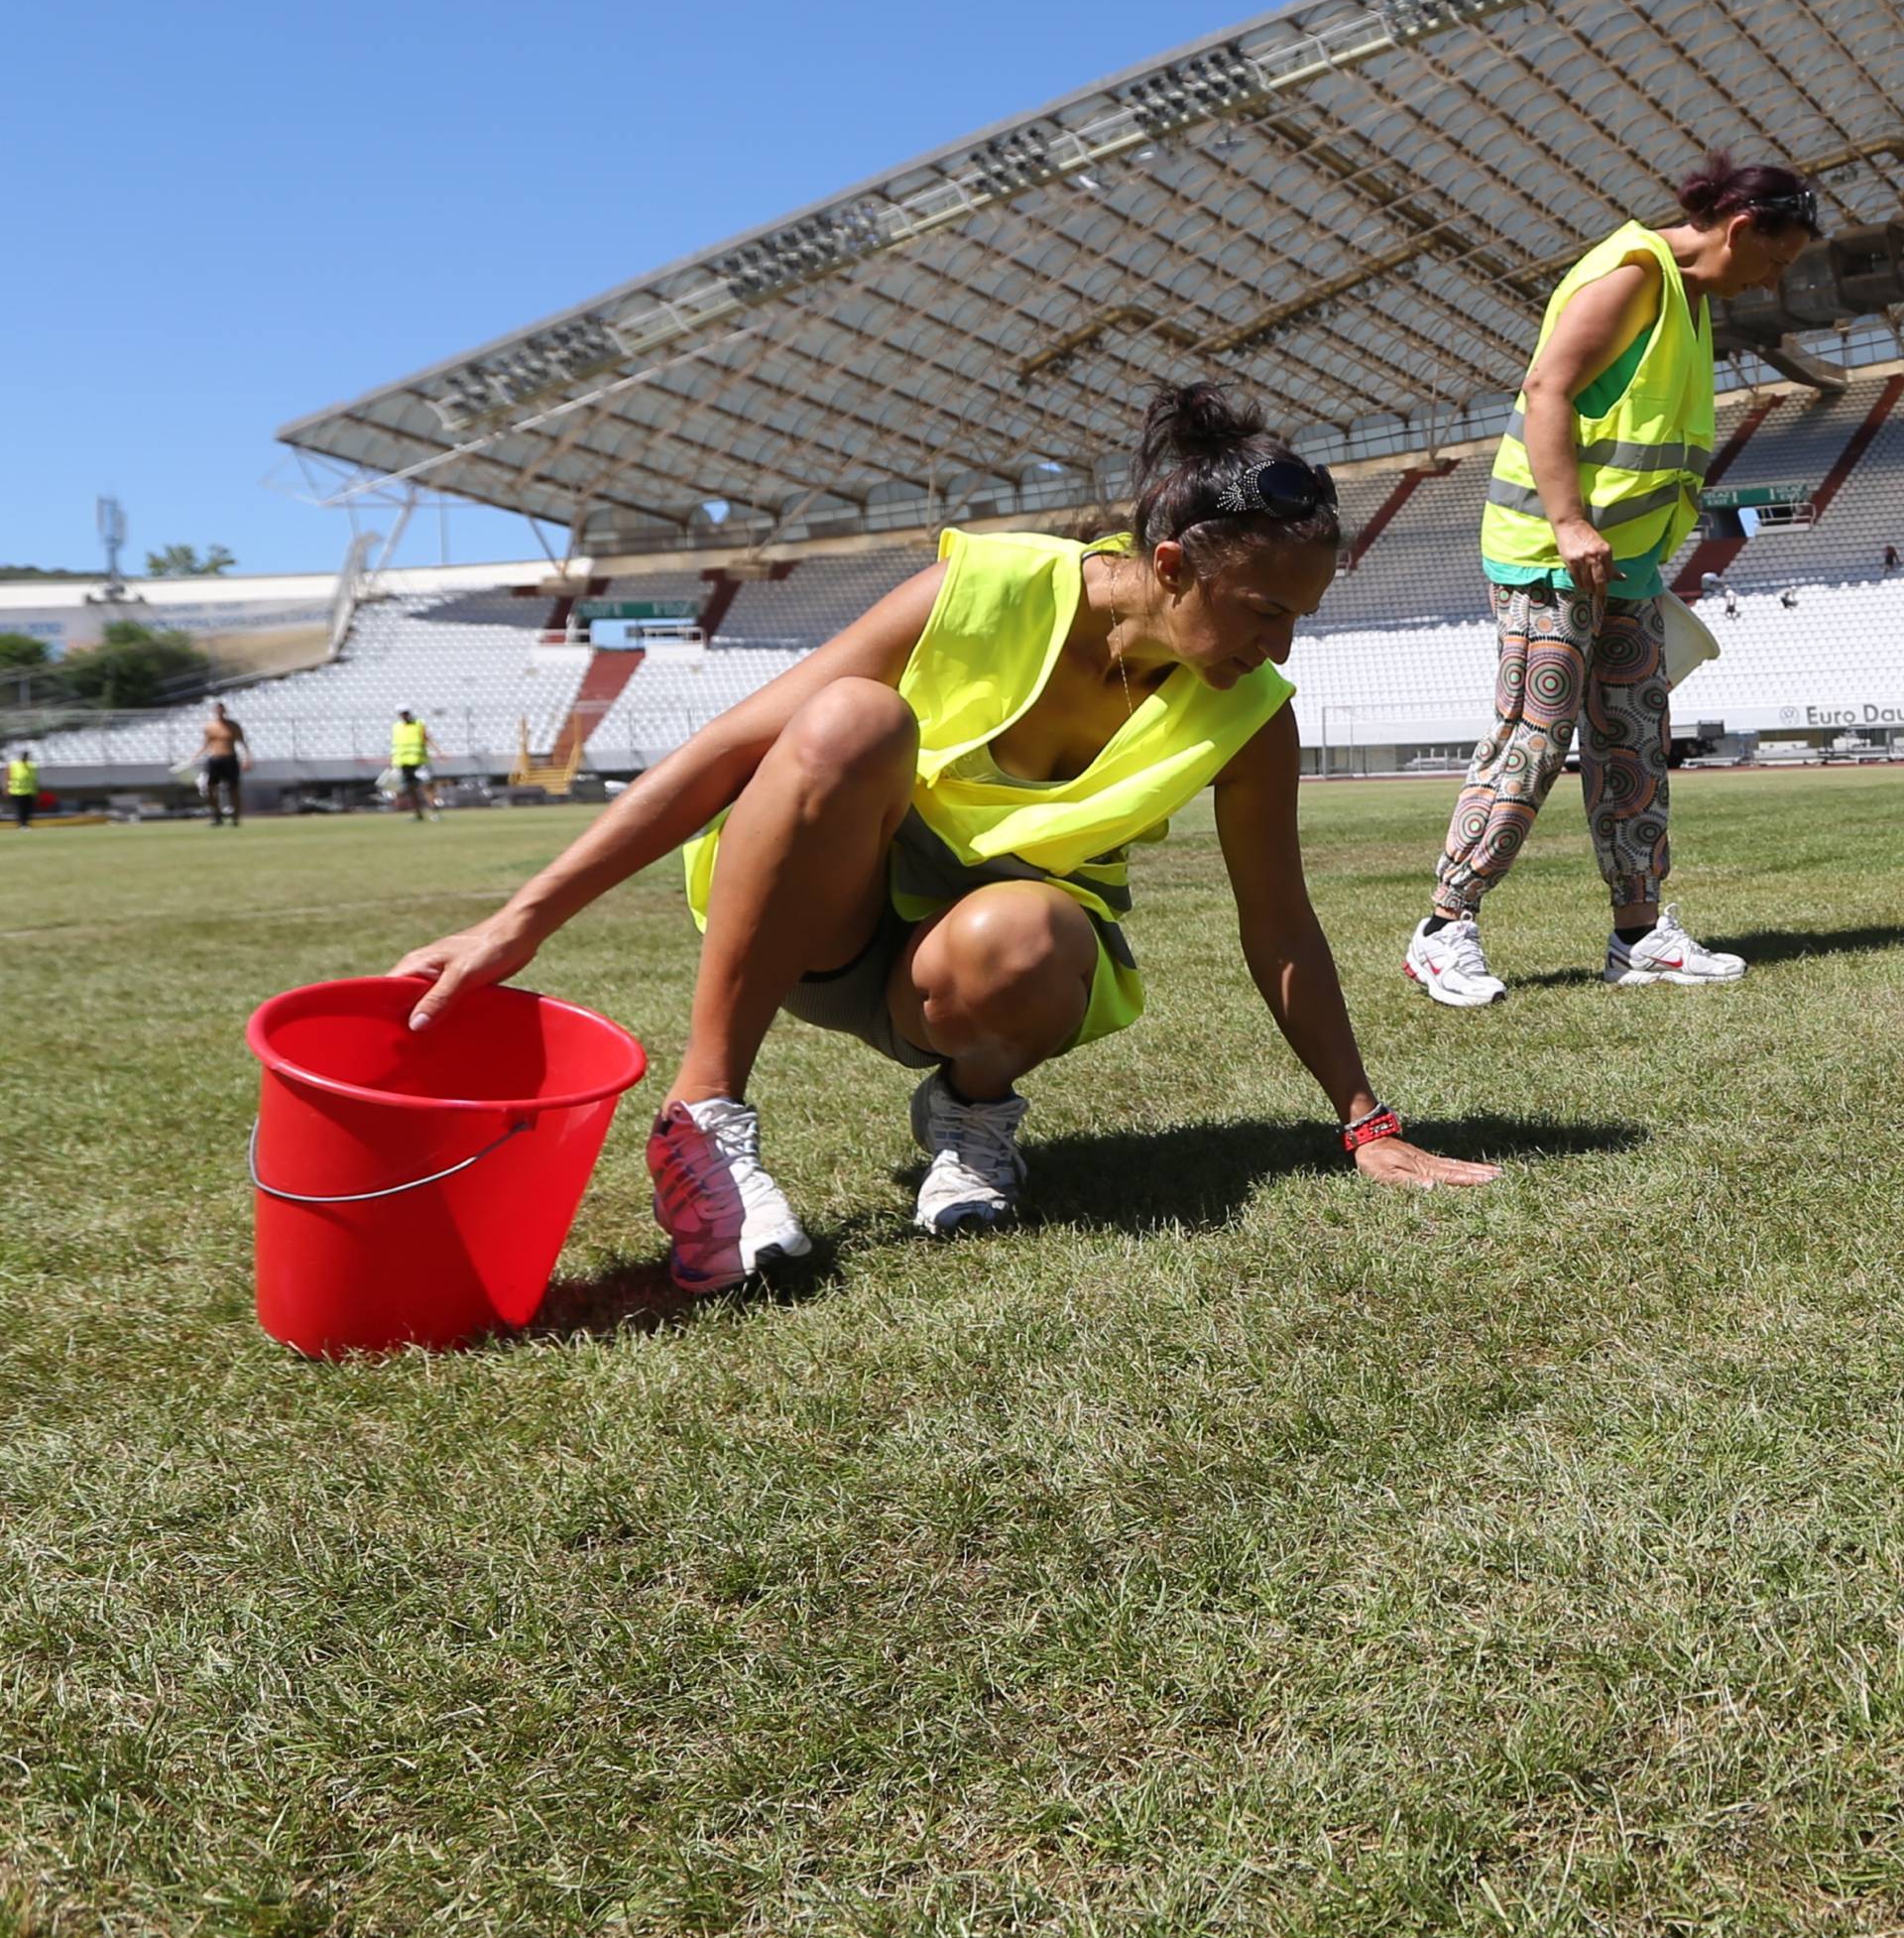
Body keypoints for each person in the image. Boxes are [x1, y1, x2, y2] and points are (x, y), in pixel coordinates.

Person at [394, 384, 1498, 1296]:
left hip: (964, 972)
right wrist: (521, 918)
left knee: (1034, 930)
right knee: (850, 718)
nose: (1277, 644)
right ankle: (704, 1125)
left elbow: (1281, 919)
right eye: (1261, 609)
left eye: (1297, 616)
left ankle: (971, 1117)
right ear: (1170, 566)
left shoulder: (1251, 710)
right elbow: (735, 747)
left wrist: (1367, 1123)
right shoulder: (986, 588)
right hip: (816, 916)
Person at [1405, 151, 1819, 1007]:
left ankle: (1639, 934)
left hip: (1623, 564)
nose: (1773, 280)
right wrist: (1568, 522)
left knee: (1631, 742)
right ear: (1742, 229)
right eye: (1775, 259)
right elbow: (1548, 389)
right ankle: (1444, 928)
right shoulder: (1635, 274)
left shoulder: (1692, 299)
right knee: (1535, 734)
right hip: (1549, 554)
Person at [195, 702, 251, 827]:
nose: (219, 712)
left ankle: (235, 817)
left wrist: (247, 759)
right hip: (215, 759)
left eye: (221, 710)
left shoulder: (233, 726)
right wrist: (195, 756)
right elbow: (206, 745)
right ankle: (217, 815)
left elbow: (242, 743)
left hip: (230, 759)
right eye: (217, 710)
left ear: (224, 711)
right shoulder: (210, 727)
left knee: (234, 789)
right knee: (210, 788)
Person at [390, 711, 436, 821]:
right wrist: (393, 761)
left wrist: (438, 751)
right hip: (403, 762)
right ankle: (418, 813)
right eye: (402, 714)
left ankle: (434, 813)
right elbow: (396, 745)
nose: (404, 716)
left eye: (406, 713)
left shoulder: (418, 724)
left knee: (427, 786)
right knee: (410, 789)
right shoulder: (396, 727)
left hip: (419, 760)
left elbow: (427, 738)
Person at [7, 745, 38, 830]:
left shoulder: (32, 765)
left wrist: (35, 789)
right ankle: (22, 824)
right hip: (17, 791)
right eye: (23, 755)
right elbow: (8, 777)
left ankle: (26, 823)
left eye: (26, 755)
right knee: (19, 809)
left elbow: (34, 779)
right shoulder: (14, 765)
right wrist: (7, 788)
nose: (24, 756)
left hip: (29, 791)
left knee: (28, 809)